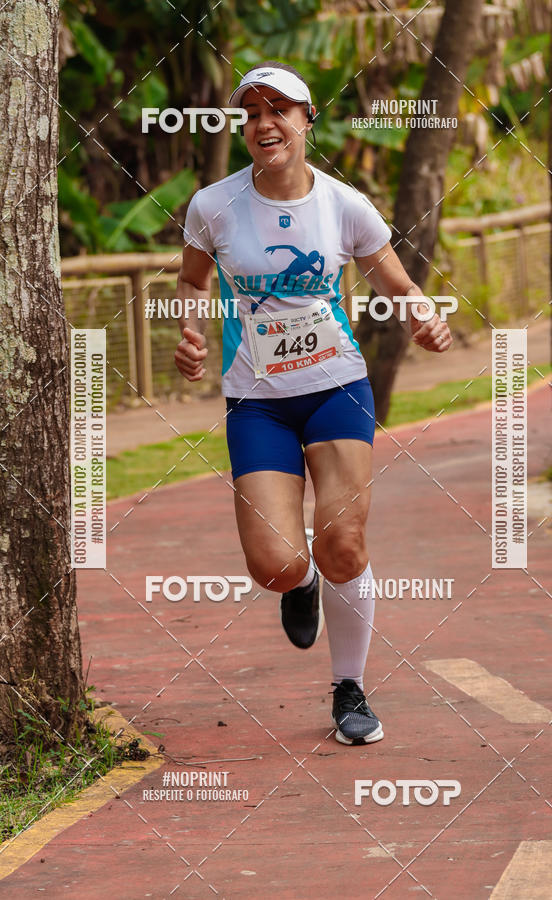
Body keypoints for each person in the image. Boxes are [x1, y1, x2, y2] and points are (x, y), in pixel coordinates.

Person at [174, 61, 452, 745]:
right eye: (253, 113)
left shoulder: (344, 205)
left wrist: (423, 317)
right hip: (258, 402)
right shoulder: (214, 205)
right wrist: (189, 332)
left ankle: (349, 688)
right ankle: (299, 585)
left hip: (336, 388)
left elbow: (398, 281)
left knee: (345, 544)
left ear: (306, 120)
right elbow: (191, 281)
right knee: (276, 565)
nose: (265, 124)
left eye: (280, 110)